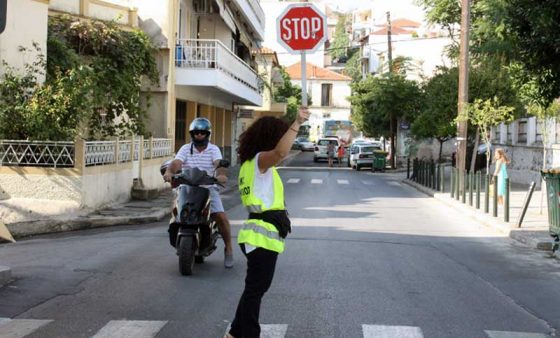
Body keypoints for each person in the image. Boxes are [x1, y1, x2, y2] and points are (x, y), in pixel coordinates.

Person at [225, 107, 310, 338]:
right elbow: (281, 152)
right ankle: (248, 333)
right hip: (260, 236)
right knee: (256, 290)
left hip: (258, 235)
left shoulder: (252, 165)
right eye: (279, 136)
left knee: (255, 289)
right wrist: (297, 123)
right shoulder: (261, 161)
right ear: (270, 139)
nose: (284, 141)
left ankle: (235, 331)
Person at [163, 117, 234, 268]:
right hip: (186, 188)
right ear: (192, 134)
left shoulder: (213, 149)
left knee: (220, 215)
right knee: (176, 212)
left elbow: (218, 164)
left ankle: (228, 248)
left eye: (202, 132)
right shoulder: (185, 148)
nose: (199, 135)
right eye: (196, 132)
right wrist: (169, 171)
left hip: (207, 188)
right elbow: (177, 163)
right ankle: (178, 236)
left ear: (207, 134)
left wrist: (221, 175)